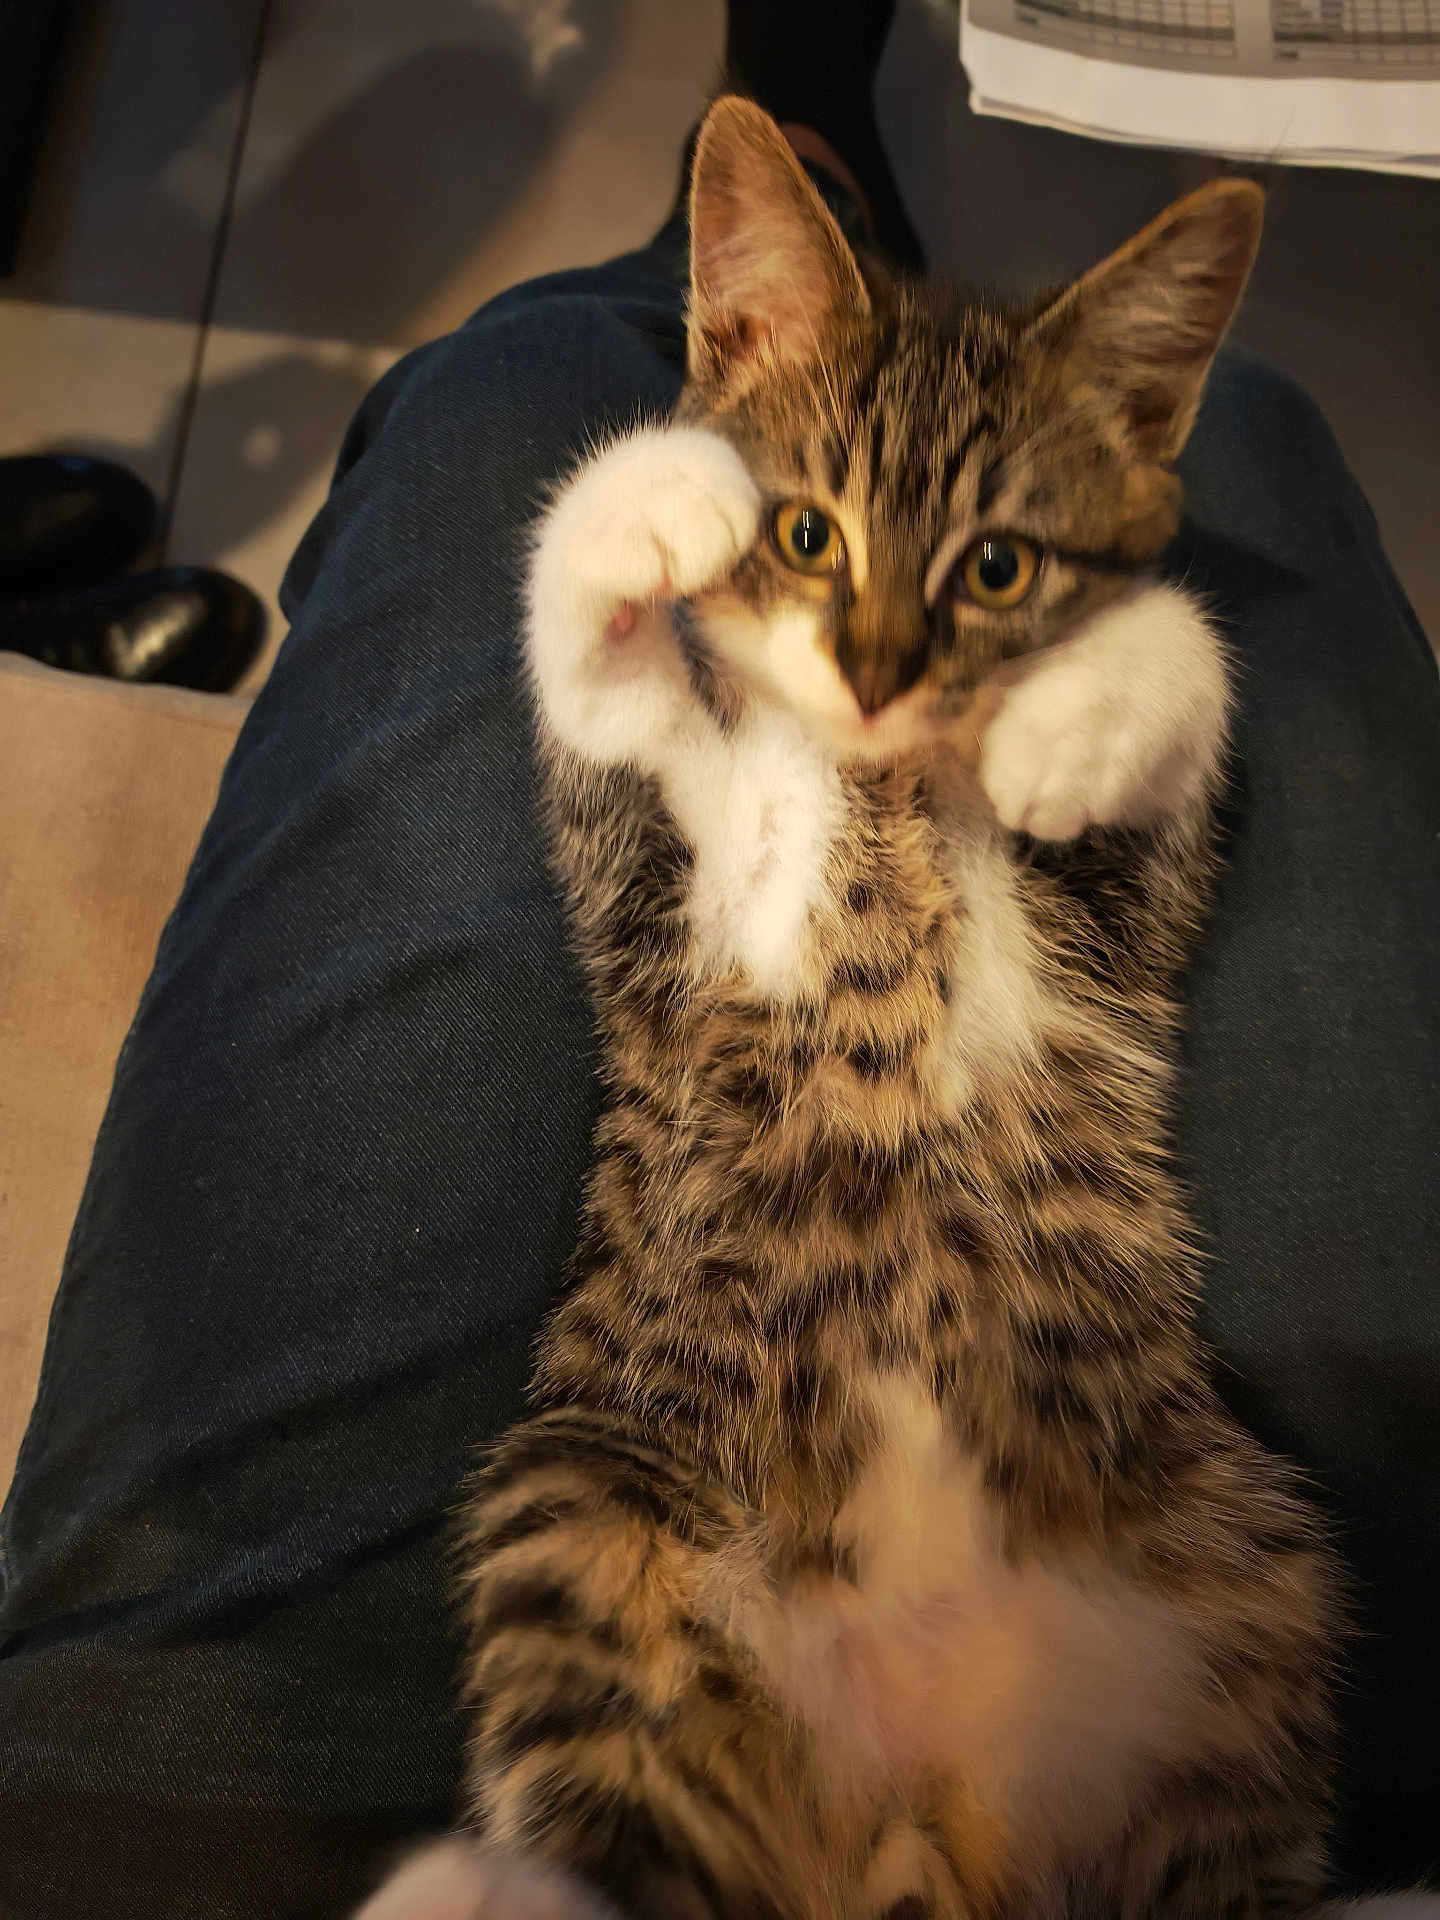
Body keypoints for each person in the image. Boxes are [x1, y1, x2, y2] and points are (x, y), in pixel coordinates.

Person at [1, 6, 1436, 1915]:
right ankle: (816, 154)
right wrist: (648, 607)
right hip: (994, 1522)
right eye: (821, 540)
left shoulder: (947, 694)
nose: (881, 662)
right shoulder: (778, 714)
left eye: (990, 572)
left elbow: (1052, 819)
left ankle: (804, 155)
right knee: (1269, 439)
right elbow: (645, 779)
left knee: (510, 377)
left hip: (777, 1487)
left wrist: (1119, 679)